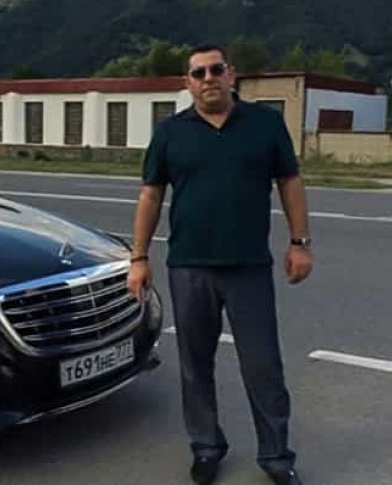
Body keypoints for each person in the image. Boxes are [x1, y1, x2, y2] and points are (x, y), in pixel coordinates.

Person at [127, 44, 313, 485]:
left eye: (216, 69)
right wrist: (139, 257)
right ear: (188, 83)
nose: (208, 78)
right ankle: (206, 447)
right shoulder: (170, 132)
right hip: (189, 267)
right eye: (198, 73)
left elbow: (290, 181)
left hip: (249, 268)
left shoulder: (264, 124)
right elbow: (151, 194)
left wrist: (299, 243)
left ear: (231, 75)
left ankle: (276, 457)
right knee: (196, 366)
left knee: (263, 367)